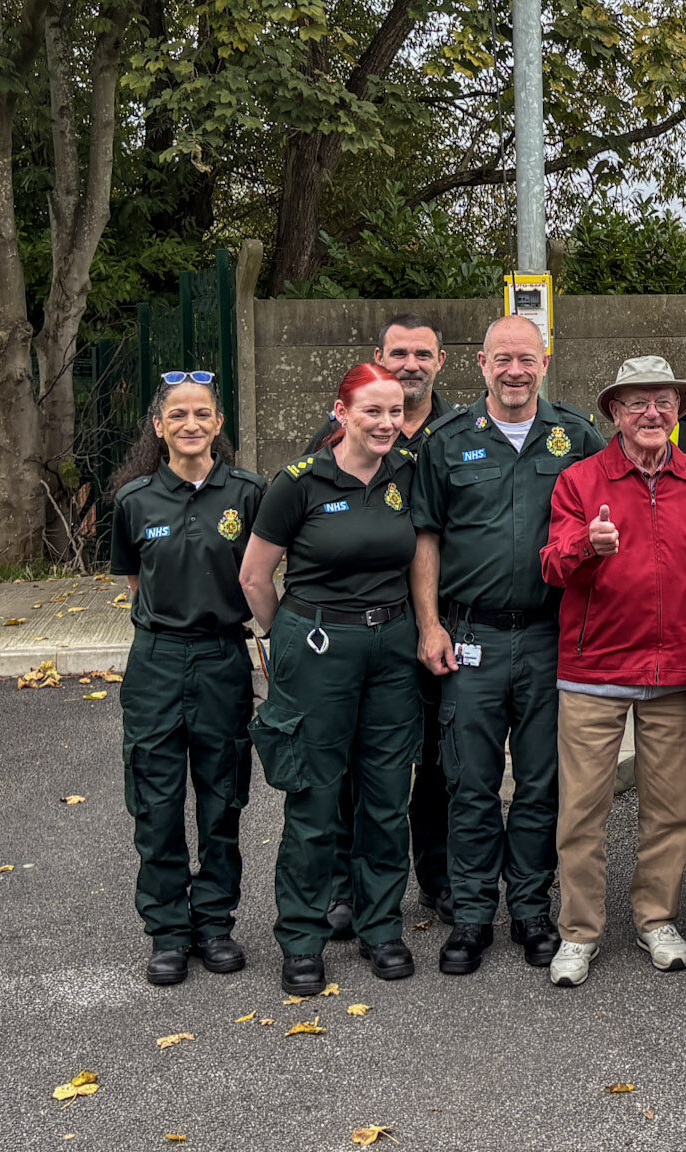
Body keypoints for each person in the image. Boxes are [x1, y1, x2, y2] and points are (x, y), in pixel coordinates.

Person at [412, 315, 606, 976]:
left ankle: (529, 910)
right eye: (503, 359)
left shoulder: (576, 437)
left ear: (545, 361)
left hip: (552, 636)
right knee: (468, 783)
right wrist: (430, 625)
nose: (515, 371)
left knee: (541, 783)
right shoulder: (447, 440)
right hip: (470, 637)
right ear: (481, 363)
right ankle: (471, 917)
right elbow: (426, 538)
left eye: (526, 359)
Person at [539, 356, 686, 987]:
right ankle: (579, 931)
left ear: (679, 412)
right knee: (582, 809)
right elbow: (550, 567)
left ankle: (656, 918)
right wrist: (584, 547)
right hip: (593, 669)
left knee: (672, 808)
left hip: (675, 671)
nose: (653, 414)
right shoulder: (580, 479)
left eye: (664, 402)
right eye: (638, 402)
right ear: (614, 412)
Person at [239, 362, 425, 996]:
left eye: (395, 412)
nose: (386, 423)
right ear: (342, 413)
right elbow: (255, 579)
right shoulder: (298, 482)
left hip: (392, 647)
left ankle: (380, 928)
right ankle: (301, 936)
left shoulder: (407, 472)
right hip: (318, 645)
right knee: (315, 797)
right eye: (373, 411)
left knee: (384, 796)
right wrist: (284, 637)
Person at [303, 315, 463, 939]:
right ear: (378, 356)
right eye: (398, 352)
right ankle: (346, 887)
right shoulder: (339, 432)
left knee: (434, 759)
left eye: (423, 353)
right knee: (353, 762)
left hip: (439, 623)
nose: (410, 363)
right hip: (359, 629)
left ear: (441, 362)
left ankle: (438, 877)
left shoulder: (458, 431)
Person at [108, 371, 265, 986]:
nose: (191, 425)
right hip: (156, 662)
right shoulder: (134, 500)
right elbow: (133, 584)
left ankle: (215, 923)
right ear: (159, 427)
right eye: (178, 416)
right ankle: (169, 932)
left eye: (202, 414)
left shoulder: (248, 494)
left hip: (222, 657)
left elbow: (261, 574)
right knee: (156, 801)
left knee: (223, 797)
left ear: (218, 424)